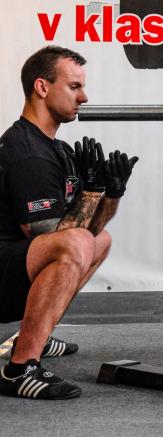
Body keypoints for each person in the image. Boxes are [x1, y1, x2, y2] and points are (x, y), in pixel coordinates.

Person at [0, 46, 138, 399]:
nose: (84, 97)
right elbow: (53, 236)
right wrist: (90, 191)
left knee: (100, 240)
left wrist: (111, 193)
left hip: (16, 268)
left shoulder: (58, 150)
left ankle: (37, 334)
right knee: (76, 242)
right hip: (3, 274)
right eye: (74, 87)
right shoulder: (26, 152)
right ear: (42, 87)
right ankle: (19, 369)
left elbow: (89, 231)